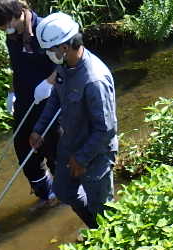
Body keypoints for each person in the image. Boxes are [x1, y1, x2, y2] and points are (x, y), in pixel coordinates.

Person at [27, 12, 117, 229]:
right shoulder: (65, 67)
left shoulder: (94, 80)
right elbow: (56, 98)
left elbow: (105, 130)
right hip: (71, 144)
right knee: (64, 191)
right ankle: (94, 228)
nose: (48, 54)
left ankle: (108, 240)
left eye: (50, 50)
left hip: (96, 153)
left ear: (64, 47)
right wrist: (39, 129)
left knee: (103, 208)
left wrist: (82, 159)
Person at [0, 0, 59, 210]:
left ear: (16, 13)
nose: (2, 30)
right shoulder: (12, 35)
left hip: (50, 101)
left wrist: (50, 83)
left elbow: (67, 62)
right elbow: (16, 67)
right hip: (25, 100)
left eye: (3, 24)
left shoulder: (45, 30)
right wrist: (11, 92)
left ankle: (67, 195)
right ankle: (46, 195)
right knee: (24, 150)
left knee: (54, 150)